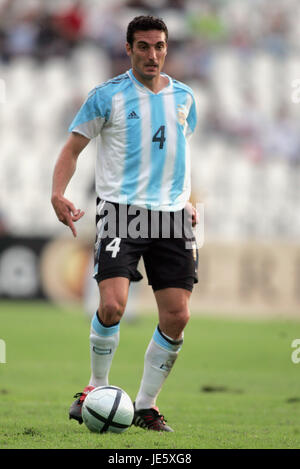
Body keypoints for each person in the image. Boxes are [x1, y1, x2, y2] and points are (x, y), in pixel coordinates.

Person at [51, 15, 198, 432]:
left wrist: (187, 201)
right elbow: (71, 150)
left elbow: (177, 155)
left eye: (160, 46)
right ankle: (94, 389)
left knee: (178, 316)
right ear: (129, 48)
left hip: (171, 218)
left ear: (167, 49)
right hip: (121, 212)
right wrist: (57, 193)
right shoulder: (107, 96)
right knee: (113, 305)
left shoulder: (185, 98)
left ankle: (146, 406)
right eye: (144, 46)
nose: (153, 55)